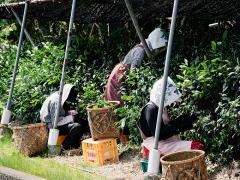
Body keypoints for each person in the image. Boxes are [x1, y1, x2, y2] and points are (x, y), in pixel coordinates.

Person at [137, 77, 205, 159]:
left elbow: (168, 128)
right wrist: (181, 120)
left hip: (163, 143)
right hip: (155, 147)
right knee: (197, 147)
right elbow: (160, 134)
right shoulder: (150, 109)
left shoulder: (159, 108)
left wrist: (189, 119)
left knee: (197, 147)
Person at [104, 28, 168, 105]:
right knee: (115, 101)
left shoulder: (142, 48)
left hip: (121, 73)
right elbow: (133, 71)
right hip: (119, 75)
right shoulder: (140, 51)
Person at [40, 84, 83, 150]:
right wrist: (72, 117)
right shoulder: (56, 101)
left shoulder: (58, 97)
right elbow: (56, 122)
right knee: (76, 127)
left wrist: (70, 112)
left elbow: (60, 113)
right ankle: (65, 147)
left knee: (78, 123)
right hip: (51, 128)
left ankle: (74, 145)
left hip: (54, 124)